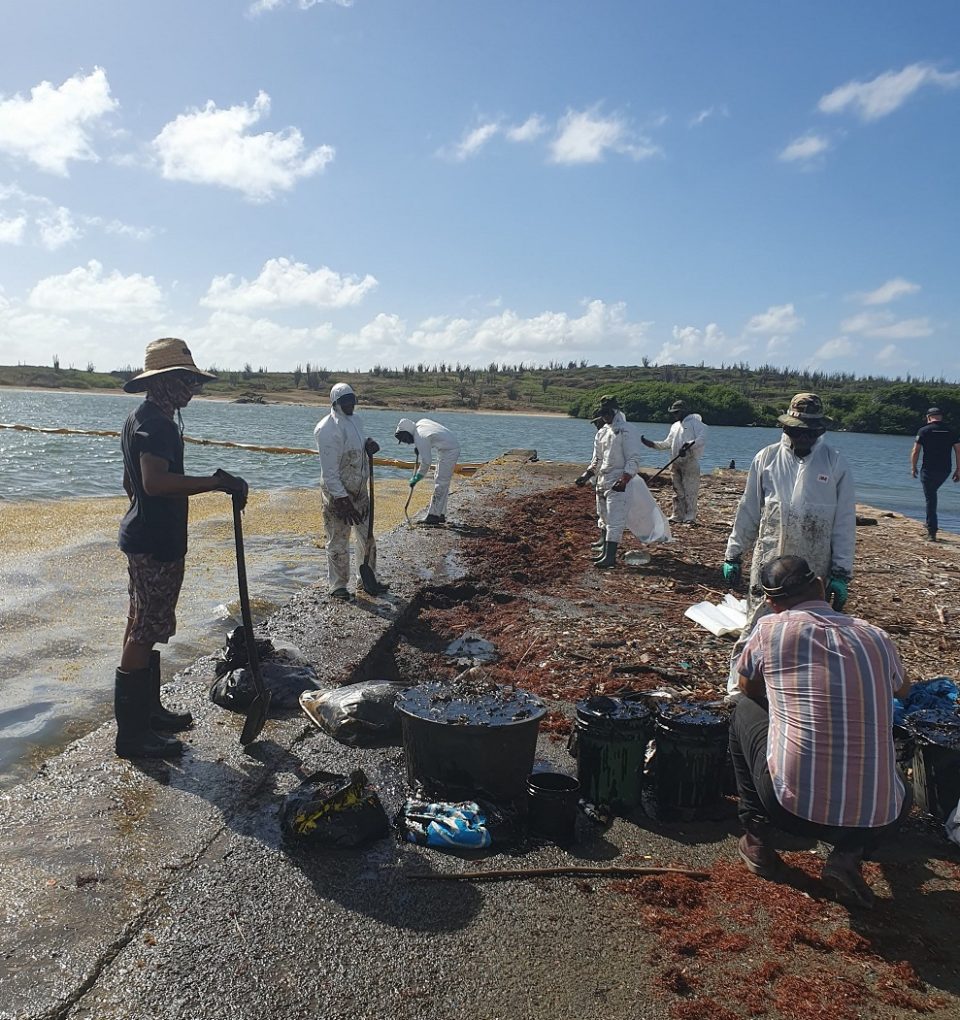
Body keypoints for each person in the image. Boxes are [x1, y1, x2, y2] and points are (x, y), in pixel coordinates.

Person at [730, 555, 910, 909]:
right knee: (896, 783)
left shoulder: (769, 629)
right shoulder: (875, 635)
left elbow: (746, 686)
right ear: (822, 586)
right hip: (880, 818)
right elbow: (902, 690)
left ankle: (757, 837)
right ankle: (847, 855)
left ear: (771, 602)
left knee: (743, 711)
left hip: (789, 809)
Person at [117, 337, 249, 759]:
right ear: (165, 382)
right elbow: (154, 482)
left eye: (194, 381)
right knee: (143, 630)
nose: (192, 389)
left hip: (145, 537)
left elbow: (131, 484)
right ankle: (133, 737)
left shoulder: (141, 418)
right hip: (153, 545)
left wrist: (148, 512)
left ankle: (148, 712)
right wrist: (214, 481)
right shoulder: (157, 426)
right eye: (186, 381)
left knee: (143, 624)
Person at [721, 393, 855, 697]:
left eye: (810, 431)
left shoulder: (834, 463)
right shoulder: (766, 458)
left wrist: (841, 572)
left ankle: (795, 692)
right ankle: (738, 690)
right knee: (757, 622)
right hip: (769, 559)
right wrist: (734, 552)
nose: (803, 436)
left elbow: (844, 521)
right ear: (786, 427)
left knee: (810, 630)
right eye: (796, 430)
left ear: (820, 431)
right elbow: (749, 510)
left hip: (813, 566)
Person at [314, 383, 384, 601]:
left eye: (352, 400)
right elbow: (330, 473)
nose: (350, 404)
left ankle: (367, 578)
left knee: (367, 536)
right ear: (335, 403)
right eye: (345, 401)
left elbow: (358, 439)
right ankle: (338, 585)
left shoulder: (356, 420)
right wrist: (342, 499)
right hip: (337, 494)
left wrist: (368, 443)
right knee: (338, 539)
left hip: (359, 489)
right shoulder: (327, 429)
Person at [574, 395, 643, 568]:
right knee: (603, 516)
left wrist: (625, 478)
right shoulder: (602, 432)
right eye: (602, 414)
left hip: (618, 479)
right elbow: (597, 459)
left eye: (607, 413)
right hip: (603, 479)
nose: (605, 417)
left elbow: (633, 458)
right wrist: (587, 475)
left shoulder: (627, 430)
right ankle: (605, 552)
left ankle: (610, 557)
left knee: (615, 519)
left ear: (615, 411)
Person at [641, 399, 709, 523]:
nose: (675, 415)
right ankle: (678, 515)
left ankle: (690, 516)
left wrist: (688, 446)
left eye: (677, 412)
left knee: (690, 490)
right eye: (674, 413)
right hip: (675, 462)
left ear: (683, 411)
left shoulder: (696, 423)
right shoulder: (675, 426)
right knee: (677, 490)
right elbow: (668, 443)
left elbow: (702, 439)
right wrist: (652, 444)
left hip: (690, 461)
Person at [394, 417, 461, 525]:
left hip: (449, 450)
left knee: (441, 482)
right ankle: (440, 513)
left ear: (407, 433)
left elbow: (427, 462)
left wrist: (417, 478)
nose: (406, 443)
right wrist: (420, 447)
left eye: (404, 439)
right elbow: (430, 436)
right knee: (440, 479)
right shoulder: (421, 423)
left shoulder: (419, 436)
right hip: (447, 448)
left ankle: (433, 516)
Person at [910, 407, 960, 542]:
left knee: (930, 497)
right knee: (932, 494)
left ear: (928, 417)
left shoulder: (924, 430)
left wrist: (913, 467)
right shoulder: (951, 431)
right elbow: (958, 451)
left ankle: (932, 531)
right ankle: (929, 524)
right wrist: (958, 469)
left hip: (928, 469)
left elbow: (916, 451)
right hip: (945, 470)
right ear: (940, 417)